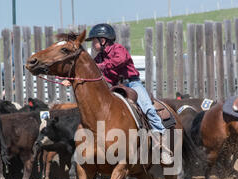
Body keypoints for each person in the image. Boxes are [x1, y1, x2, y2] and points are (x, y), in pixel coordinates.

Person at [62, 23, 173, 165]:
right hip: (114, 86)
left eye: (95, 40)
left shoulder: (118, 49)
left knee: (149, 109)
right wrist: (71, 80)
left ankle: (163, 145)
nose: (93, 44)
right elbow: (90, 72)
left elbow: (117, 62)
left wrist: (96, 66)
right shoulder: (98, 58)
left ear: (103, 40)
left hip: (132, 84)